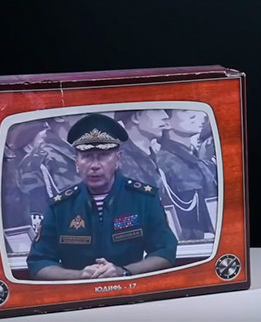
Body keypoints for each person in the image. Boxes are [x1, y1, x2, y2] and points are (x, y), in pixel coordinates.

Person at [26, 114, 177, 280]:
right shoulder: (60, 207)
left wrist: (124, 272)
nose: (95, 165)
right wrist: (79, 275)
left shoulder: (144, 199)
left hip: (130, 290)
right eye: (87, 157)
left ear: (117, 159)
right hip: (79, 292)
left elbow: (165, 252)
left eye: (103, 156)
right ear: (76, 162)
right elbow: (39, 262)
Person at [156, 110, 217, 240]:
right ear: (166, 122)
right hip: (191, 244)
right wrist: (198, 236)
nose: (193, 115)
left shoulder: (201, 161)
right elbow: (165, 215)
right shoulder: (163, 163)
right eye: (184, 111)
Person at [117, 109, 170, 190]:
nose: (165, 116)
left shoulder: (156, 155)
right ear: (136, 117)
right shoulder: (119, 159)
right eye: (157, 110)